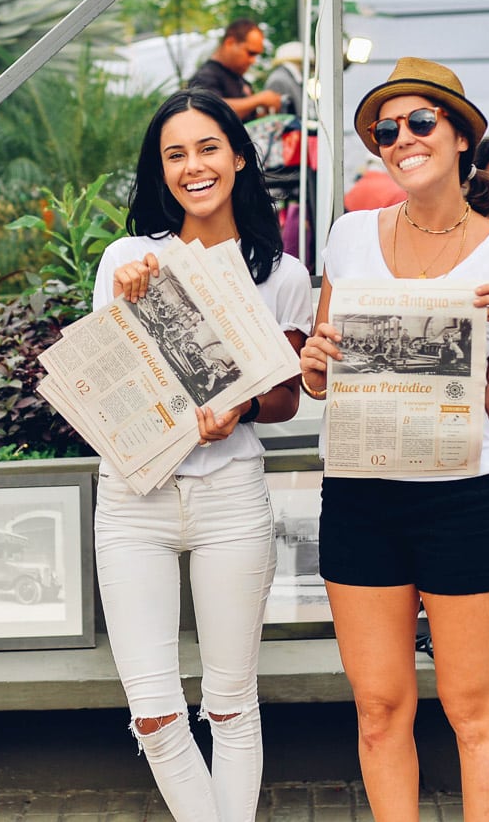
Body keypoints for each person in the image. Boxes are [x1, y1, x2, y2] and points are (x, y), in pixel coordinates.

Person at [298, 57, 489, 822]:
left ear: (461, 135)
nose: (400, 138)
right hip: (360, 498)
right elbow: (322, 376)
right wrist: (311, 364)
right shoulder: (348, 236)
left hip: (458, 500)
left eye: (419, 122)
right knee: (379, 710)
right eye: (385, 129)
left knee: (475, 712)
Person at [93, 87, 311, 822]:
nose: (193, 166)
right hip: (134, 502)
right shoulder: (130, 259)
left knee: (229, 706)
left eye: (208, 147)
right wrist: (123, 304)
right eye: (175, 154)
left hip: (230, 498)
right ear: (161, 172)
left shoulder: (282, 275)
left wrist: (241, 407)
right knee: (153, 713)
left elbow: (286, 400)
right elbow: (105, 386)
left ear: (241, 157)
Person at [187, 19, 283, 122]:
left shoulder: (237, 76)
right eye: (250, 53)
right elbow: (211, 112)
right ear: (230, 43)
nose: (253, 61)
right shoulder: (205, 76)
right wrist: (259, 99)